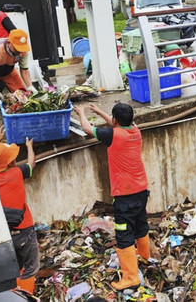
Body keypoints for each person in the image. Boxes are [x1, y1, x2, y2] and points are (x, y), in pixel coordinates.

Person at [74, 102, 150, 291]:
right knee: (141, 225)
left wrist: (82, 112)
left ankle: (131, 277)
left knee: (124, 235)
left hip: (125, 196)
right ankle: (145, 257)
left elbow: (86, 128)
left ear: (115, 120)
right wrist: (100, 112)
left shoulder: (113, 135)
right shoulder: (135, 130)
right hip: (141, 191)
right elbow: (116, 125)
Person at [0, 125, 39, 295]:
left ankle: (12, 293)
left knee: (15, 266)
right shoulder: (16, 173)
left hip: (5, 233)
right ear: (10, 162)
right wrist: (30, 147)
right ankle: (25, 295)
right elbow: (31, 163)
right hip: (24, 229)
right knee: (32, 268)